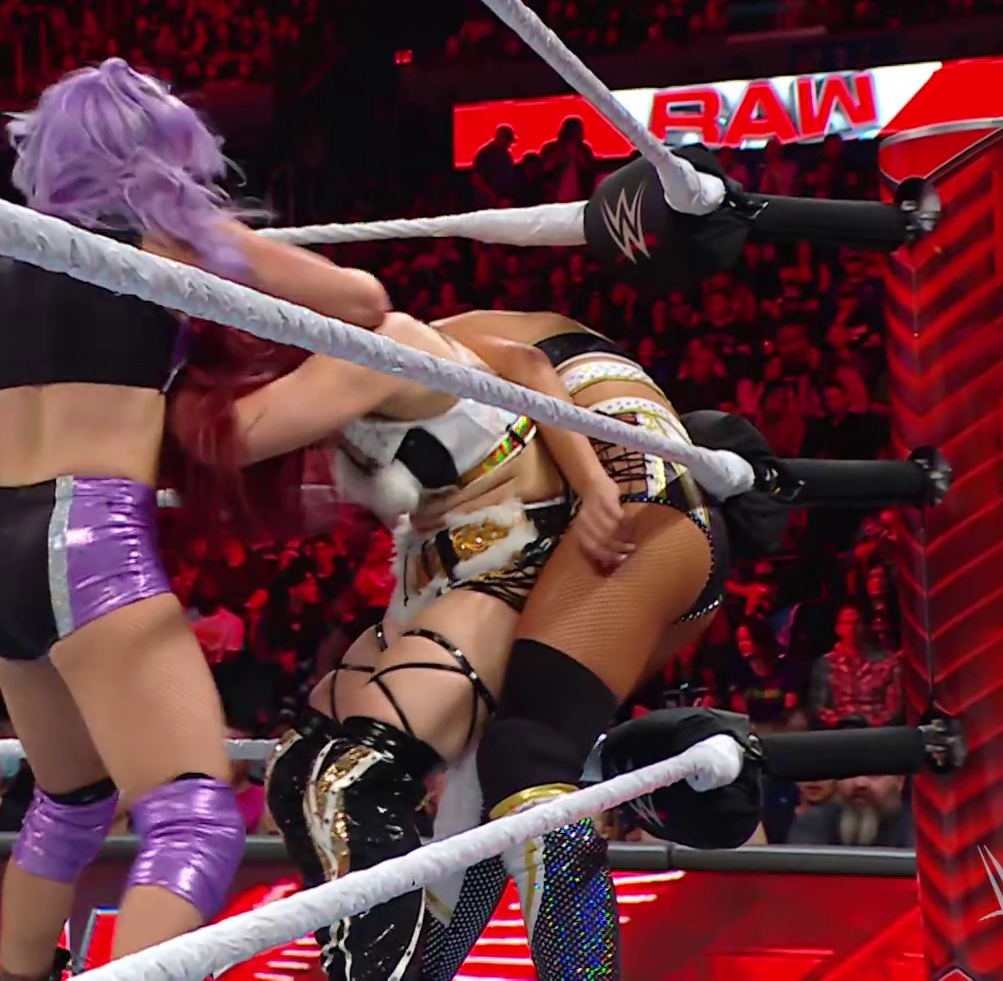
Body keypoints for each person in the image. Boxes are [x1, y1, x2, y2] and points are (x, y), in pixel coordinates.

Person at [0, 57, 388, 980]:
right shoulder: (165, 241)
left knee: (70, 802)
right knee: (195, 817)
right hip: (91, 541)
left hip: (0, 542)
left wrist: (40, 424)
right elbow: (363, 304)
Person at [172, 310, 787, 981]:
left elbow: (527, 369)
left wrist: (591, 486)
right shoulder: (408, 385)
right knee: (485, 784)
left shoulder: (405, 339)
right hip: (605, 515)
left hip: (631, 499)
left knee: (527, 757)